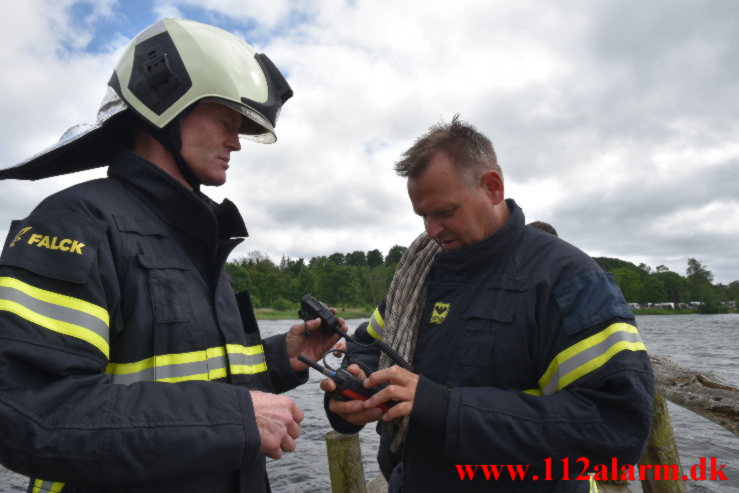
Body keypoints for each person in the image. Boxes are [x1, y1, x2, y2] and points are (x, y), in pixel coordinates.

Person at [0, 18, 344, 493]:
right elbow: (29, 411)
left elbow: (193, 371)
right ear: (164, 104)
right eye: (227, 121)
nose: (236, 141)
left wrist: (282, 358)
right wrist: (235, 417)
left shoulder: (198, 239)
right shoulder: (75, 223)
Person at [322, 115, 654, 492]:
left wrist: (445, 407)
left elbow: (615, 428)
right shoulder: (418, 278)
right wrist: (354, 392)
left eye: (445, 212)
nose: (430, 231)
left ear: (492, 187)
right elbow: (369, 345)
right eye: (423, 215)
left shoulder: (568, 280)